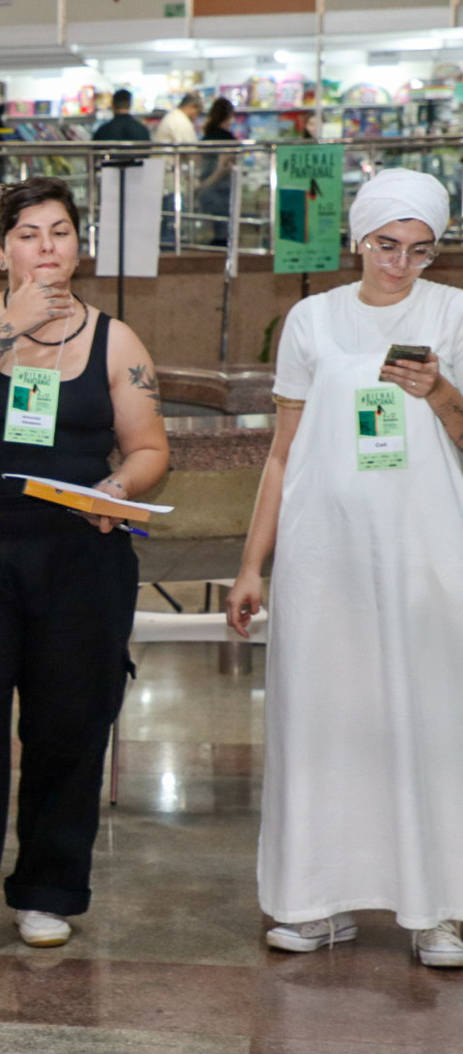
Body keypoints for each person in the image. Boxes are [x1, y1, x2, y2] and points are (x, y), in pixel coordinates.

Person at [0, 176, 169, 964]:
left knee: (68, 728)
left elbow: (150, 447)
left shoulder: (116, 340)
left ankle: (49, 889)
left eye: (58, 233)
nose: (45, 248)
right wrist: (8, 330)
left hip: (82, 556)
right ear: (0, 250)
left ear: (78, 248)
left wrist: (118, 490)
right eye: (27, 234)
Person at [226, 168, 463, 969]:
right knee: (321, 722)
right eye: (387, 245)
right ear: (359, 238)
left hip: (424, 552)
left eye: (421, 251)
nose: (401, 264)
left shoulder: (452, 312)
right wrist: (253, 564)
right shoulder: (311, 319)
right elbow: (281, 454)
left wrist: (440, 393)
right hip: (323, 559)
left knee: (430, 720)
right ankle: (314, 901)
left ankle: (437, 909)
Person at [155, 92, 201, 244]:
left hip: (167, 181)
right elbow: (191, 151)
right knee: (171, 225)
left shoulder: (172, 118)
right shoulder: (180, 121)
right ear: (191, 106)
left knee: (168, 223)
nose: (196, 116)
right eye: (196, 112)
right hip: (171, 183)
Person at [197, 98, 237, 246]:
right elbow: (226, 166)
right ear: (229, 115)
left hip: (208, 190)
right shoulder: (228, 139)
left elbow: (199, 164)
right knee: (224, 233)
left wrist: (204, 184)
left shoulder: (206, 138)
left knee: (214, 230)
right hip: (223, 191)